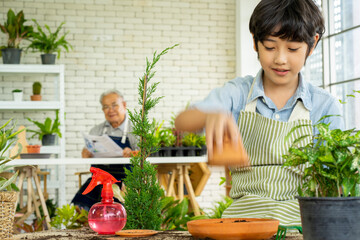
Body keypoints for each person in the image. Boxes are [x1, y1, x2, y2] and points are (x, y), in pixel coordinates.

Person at [175, 0, 344, 226]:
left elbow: (336, 181)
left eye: (293, 48)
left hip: (302, 224)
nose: (280, 59)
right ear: (255, 42)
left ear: (312, 45)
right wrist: (210, 115)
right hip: (243, 221)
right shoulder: (237, 93)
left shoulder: (325, 106)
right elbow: (183, 120)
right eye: (270, 46)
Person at [71, 90, 138, 211]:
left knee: (116, 208)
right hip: (99, 181)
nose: (110, 110)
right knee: (80, 204)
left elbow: (145, 156)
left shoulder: (135, 130)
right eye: (106, 107)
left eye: (114, 105)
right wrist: (87, 153)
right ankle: (87, 229)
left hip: (125, 181)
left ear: (124, 105)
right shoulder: (96, 130)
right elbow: (88, 153)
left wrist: (132, 153)